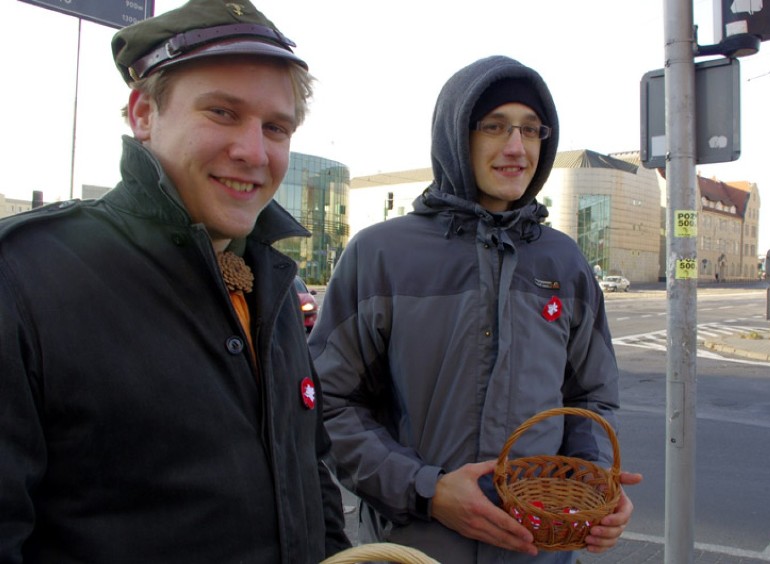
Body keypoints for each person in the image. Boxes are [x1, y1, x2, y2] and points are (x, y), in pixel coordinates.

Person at [0, 1, 350, 561]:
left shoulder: (270, 284)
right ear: (142, 113)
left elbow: (310, 471)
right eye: (221, 112)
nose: (253, 152)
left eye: (276, 127)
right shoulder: (23, 279)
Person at [309, 55, 642, 563]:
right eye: (495, 127)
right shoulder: (381, 254)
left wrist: (594, 482)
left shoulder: (564, 260)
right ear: (455, 135)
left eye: (531, 130)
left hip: (537, 555)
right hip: (416, 550)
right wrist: (426, 489)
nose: (516, 148)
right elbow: (327, 402)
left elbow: (592, 398)